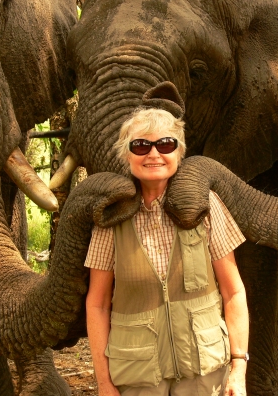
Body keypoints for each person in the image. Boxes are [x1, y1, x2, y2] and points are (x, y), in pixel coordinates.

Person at [85, 90, 249, 396]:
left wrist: (238, 368)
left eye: (165, 144)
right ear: (126, 155)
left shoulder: (206, 205)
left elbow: (233, 291)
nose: (153, 154)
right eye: (140, 145)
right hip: (138, 375)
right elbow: (97, 304)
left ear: (179, 153)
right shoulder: (111, 216)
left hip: (204, 372)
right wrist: (104, 383)